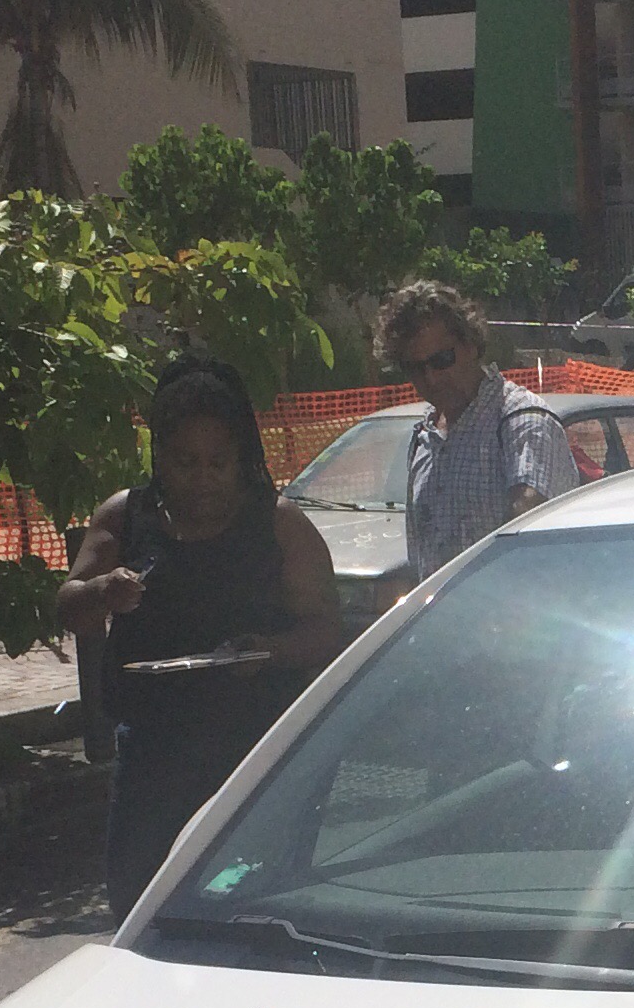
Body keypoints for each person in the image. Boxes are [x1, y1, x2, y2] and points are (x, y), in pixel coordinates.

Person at [60, 358, 346, 918]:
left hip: (255, 752)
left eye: (218, 463)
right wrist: (102, 591)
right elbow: (69, 605)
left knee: (247, 906)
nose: (202, 478)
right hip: (153, 752)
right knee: (141, 901)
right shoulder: (124, 516)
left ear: (241, 460)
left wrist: (267, 651)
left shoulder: (279, 525)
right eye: (185, 462)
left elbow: (327, 632)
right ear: (160, 458)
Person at [380, 280, 579, 585]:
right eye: (415, 368)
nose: (431, 378)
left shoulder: (522, 423)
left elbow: (530, 545)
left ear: (470, 344)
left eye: (441, 360)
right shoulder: (425, 438)